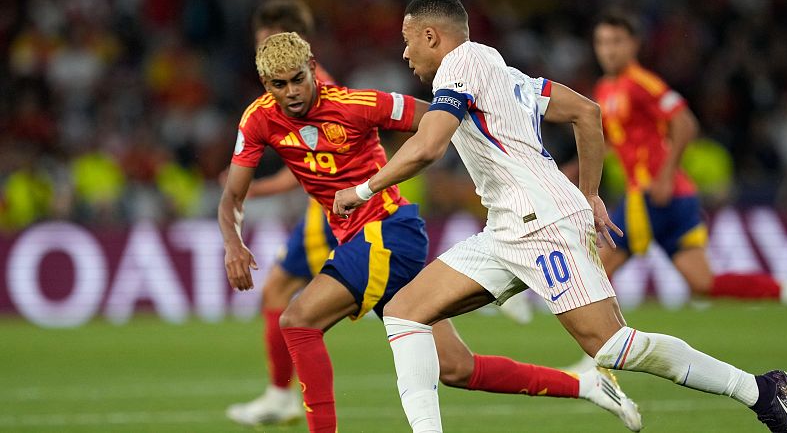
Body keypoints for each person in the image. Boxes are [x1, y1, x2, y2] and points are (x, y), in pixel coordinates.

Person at [332, 0, 787, 433]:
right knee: (405, 312)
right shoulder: (502, 71)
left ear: (432, 35)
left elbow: (429, 146)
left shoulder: (460, 65)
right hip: (507, 228)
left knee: (611, 346)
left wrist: (364, 188)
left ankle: (759, 389)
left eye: (408, 40)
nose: (405, 53)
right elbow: (586, 112)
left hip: (543, 224)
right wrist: (589, 194)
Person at [220, 32, 642, 433]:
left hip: (387, 231)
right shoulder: (258, 119)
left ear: (313, 67)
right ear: (266, 85)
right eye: (279, 85)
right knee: (456, 368)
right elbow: (232, 196)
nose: (292, 91)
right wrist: (233, 243)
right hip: (360, 241)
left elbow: (443, 118)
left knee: (298, 322)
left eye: (298, 79)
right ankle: (586, 385)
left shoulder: (358, 104)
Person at [590, 10, 787, 307]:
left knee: (598, 269)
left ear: (634, 44)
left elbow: (685, 123)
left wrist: (664, 177)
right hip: (678, 196)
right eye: (602, 42)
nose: (608, 50)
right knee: (703, 282)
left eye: (616, 41)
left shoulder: (641, 83)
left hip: (650, 193)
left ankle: (602, 337)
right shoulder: (604, 89)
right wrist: (573, 168)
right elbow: (611, 142)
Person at [223, 0, 338, 426]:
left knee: (290, 304)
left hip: (333, 211)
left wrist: (256, 189)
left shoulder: (312, 88)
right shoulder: (298, 87)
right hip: (328, 206)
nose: (261, 52)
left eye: (264, 42)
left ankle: (282, 396)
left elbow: (317, 163)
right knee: (278, 294)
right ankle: (280, 395)